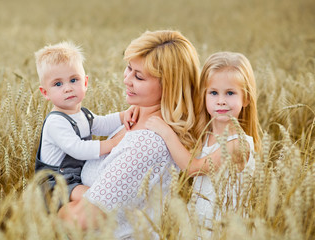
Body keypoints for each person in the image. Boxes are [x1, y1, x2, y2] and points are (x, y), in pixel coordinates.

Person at [57, 30, 201, 239]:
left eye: (139, 77)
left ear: (168, 87)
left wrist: (50, 206)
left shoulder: (146, 143)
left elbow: (82, 219)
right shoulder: (130, 120)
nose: (127, 79)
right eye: (129, 68)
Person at [146, 51, 261, 224]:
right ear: (203, 95)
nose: (221, 100)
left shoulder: (238, 144)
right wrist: (131, 113)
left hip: (226, 228)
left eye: (230, 93)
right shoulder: (204, 134)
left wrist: (166, 133)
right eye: (213, 93)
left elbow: (193, 168)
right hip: (200, 222)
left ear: (246, 99)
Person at [34, 41, 136, 203]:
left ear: (85, 82)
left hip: (75, 179)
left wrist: (124, 116)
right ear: (45, 93)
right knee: (94, 197)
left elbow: (101, 124)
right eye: (58, 84)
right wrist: (114, 143)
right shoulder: (56, 122)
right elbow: (78, 149)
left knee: (103, 194)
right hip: (56, 184)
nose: (68, 88)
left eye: (74, 80)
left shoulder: (82, 114)